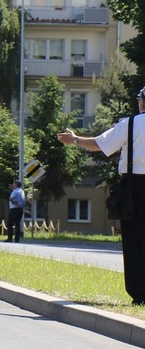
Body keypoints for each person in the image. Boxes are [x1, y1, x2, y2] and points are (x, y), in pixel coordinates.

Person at [57, 86, 145, 304]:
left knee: (134, 241)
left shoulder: (130, 124)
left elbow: (99, 144)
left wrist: (75, 139)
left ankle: (140, 294)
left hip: (134, 186)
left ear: (142, 103)